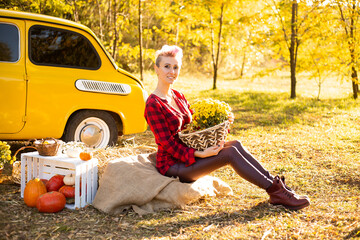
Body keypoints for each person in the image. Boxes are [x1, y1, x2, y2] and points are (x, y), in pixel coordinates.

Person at [144, 45, 310, 210]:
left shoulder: (177, 96)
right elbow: (167, 143)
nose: (171, 71)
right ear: (157, 69)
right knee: (229, 153)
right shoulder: (153, 104)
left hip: (190, 153)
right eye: (166, 66)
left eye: (175, 67)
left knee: (235, 144)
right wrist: (199, 153)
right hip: (174, 165)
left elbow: (194, 125)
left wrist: (221, 121)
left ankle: (278, 187)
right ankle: (276, 193)